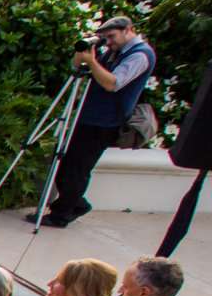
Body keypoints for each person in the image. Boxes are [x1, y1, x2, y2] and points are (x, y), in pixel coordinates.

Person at [45, 14, 158, 228]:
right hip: (88, 117)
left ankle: (62, 213)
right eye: (105, 38)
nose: (110, 42)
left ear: (128, 30)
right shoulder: (114, 52)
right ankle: (75, 204)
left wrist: (93, 61)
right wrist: (84, 54)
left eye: (112, 36)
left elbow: (113, 83)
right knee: (67, 164)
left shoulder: (140, 55)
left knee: (77, 168)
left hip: (105, 122)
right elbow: (79, 68)